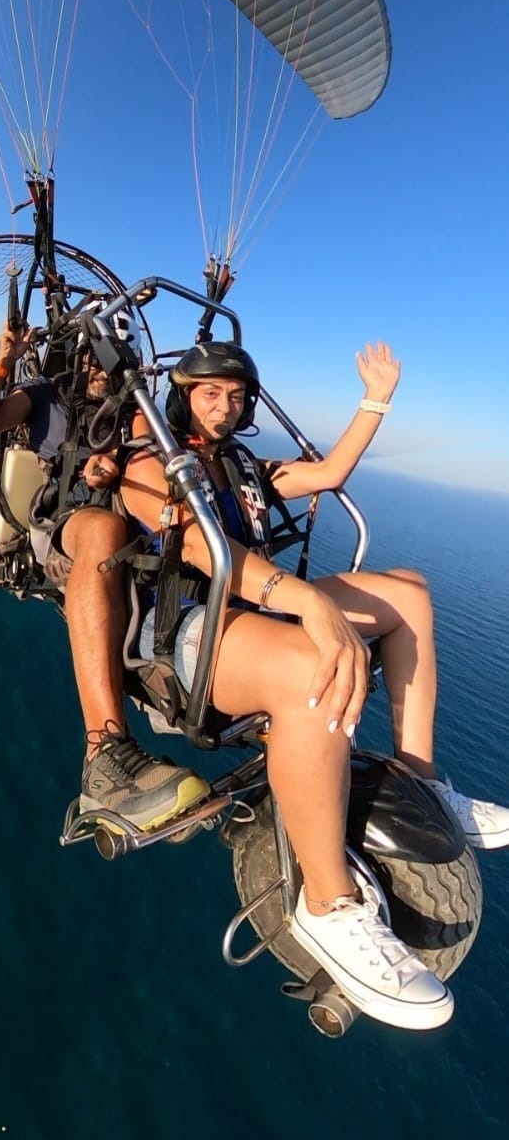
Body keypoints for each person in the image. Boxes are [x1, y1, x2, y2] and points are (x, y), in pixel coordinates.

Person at [121, 339, 509, 1031]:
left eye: (236, 395)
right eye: (210, 392)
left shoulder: (242, 465)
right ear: (183, 394)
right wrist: (303, 600)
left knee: (410, 594)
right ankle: (327, 904)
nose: (225, 404)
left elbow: (329, 472)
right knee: (309, 667)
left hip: (255, 609)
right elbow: (194, 547)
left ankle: (419, 781)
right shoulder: (149, 467)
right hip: (190, 631)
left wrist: (375, 398)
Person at [0, 318, 211, 832]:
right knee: (101, 529)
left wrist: (123, 463)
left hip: (128, 530)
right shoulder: (44, 396)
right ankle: (104, 752)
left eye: (111, 360)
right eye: (95, 357)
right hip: (63, 524)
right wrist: (3, 365)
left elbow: (155, 453)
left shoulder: (133, 411)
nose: (102, 369)